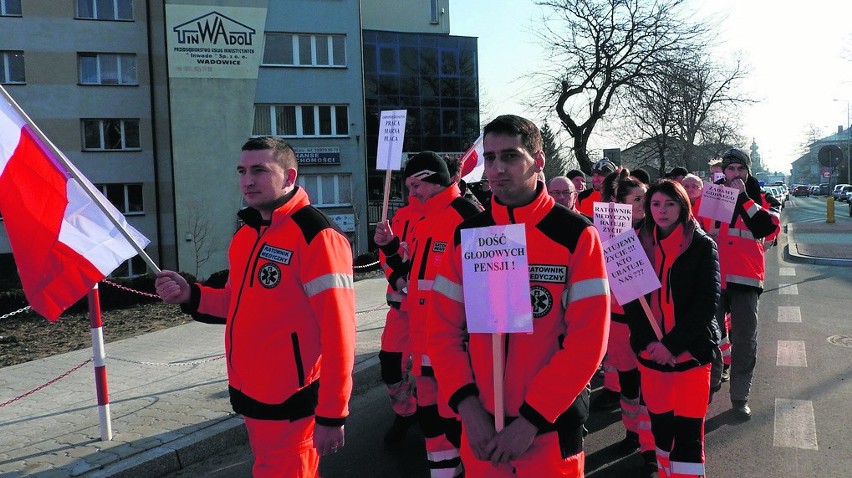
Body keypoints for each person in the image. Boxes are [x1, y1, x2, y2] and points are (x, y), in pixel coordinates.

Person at [154, 136, 356, 477]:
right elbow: (237, 303)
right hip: (254, 394)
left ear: (290, 177)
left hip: (293, 401)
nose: (248, 180)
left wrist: (332, 413)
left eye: (260, 170)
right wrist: (190, 295)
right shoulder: (248, 234)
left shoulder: (317, 236)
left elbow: (340, 334)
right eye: (242, 171)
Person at [428, 114, 610, 477]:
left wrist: (530, 421)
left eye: (510, 156)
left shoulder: (575, 235)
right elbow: (441, 331)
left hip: (548, 430)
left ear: (538, 161)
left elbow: (588, 342)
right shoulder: (468, 235)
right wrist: (467, 408)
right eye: (491, 158)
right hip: (481, 428)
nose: (496, 168)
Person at [375, 151, 481, 478]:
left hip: (454, 345)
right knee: (432, 422)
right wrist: (392, 248)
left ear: (434, 179)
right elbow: (413, 275)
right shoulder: (427, 219)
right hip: (424, 344)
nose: (411, 192)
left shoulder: (466, 215)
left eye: (416, 184)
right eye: (407, 185)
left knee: (458, 422)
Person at [623, 180, 721, 478]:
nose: (662, 211)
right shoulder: (637, 243)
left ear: (683, 206)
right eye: (655, 204)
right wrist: (648, 344)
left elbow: (707, 304)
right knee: (662, 431)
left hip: (691, 356)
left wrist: (672, 346)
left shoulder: (702, 245)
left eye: (669, 204)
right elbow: (631, 301)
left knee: (689, 437)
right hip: (652, 357)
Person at [700, 148, 779, 420]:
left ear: (748, 171)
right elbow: (698, 229)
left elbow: (766, 229)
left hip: (746, 278)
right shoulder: (712, 194)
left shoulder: (763, 198)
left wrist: (743, 198)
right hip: (714, 277)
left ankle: (740, 396)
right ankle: (709, 384)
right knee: (709, 335)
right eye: (730, 169)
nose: (735, 175)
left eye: (740, 170)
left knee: (745, 340)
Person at [599, 169, 656, 476]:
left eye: (644, 198)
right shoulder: (608, 234)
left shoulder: (657, 230)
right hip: (620, 322)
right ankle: (632, 434)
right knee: (629, 385)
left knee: (649, 386)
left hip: (650, 322)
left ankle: (650, 446)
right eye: (636, 200)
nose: (643, 204)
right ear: (620, 205)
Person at [375, 193, 423, 444]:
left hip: (434, 312)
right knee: (391, 365)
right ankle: (406, 412)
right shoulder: (401, 216)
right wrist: (396, 278)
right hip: (401, 308)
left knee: (432, 370)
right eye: (411, 181)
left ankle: (433, 413)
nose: (415, 187)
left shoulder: (453, 213)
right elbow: (385, 254)